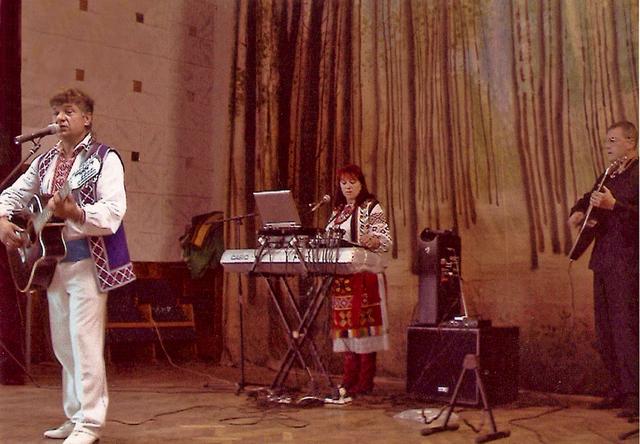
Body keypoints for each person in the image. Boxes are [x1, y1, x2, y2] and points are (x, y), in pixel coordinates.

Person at [0, 88, 135, 444]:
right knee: (63, 345)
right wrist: (2, 219)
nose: (60, 117)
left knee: (84, 343)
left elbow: (113, 211)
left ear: (87, 119)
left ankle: (90, 424)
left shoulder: (104, 159)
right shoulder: (44, 161)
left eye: (69, 111)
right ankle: (75, 416)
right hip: (52, 264)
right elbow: (13, 194)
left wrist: (76, 212)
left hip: (89, 263)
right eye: (56, 112)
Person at [568, 120, 638, 418]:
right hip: (604, 261)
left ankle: (636, 395)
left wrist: (614, 206)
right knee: (606, 329)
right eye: (606, 140)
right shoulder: (610, 173)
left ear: (630, 142)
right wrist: (578, 210)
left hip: (629, 263)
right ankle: (619, 389)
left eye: (613, 140)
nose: (606, 145)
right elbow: (589, 197)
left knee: (627, 329)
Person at [326, 164, 392, 402]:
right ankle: (348, 379)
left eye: (352, 182)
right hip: (342, 279)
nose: (348, 187)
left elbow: (385, 239)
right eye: (343, 183)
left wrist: (373, 239)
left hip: (364, 277)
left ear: (361, 184)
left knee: (363, 329)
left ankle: (364, 382)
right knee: (346, 329)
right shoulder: (338, 211)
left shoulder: (371, 207)